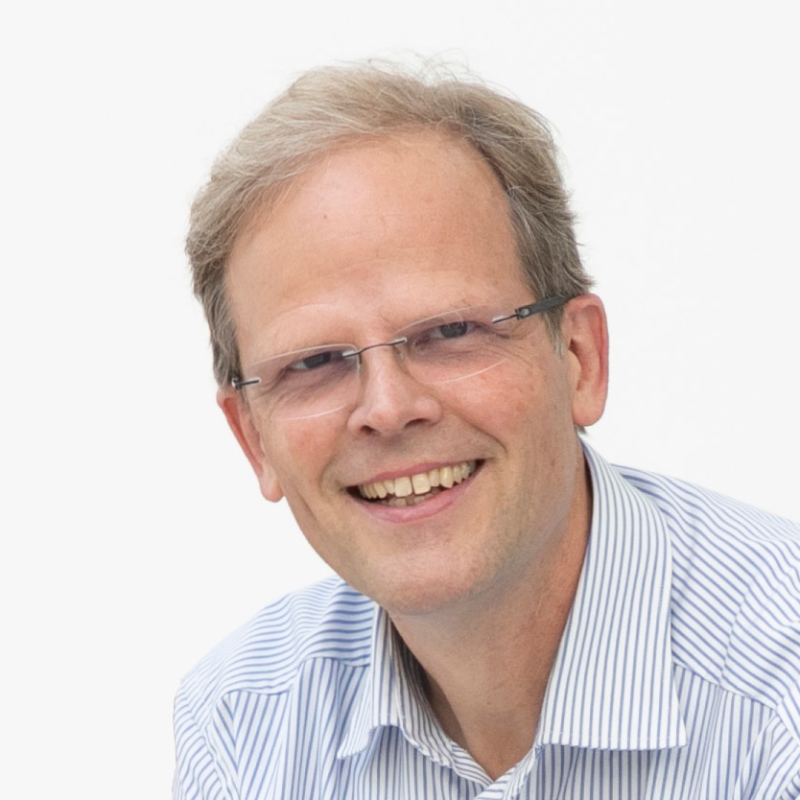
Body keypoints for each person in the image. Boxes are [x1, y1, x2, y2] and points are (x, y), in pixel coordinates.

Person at [173, 62, 800, 799]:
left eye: (448, 331)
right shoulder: (241, 725)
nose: (387, 407)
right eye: (315, 361)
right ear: (253, 439)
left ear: (579, 359)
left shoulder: (779, 693)